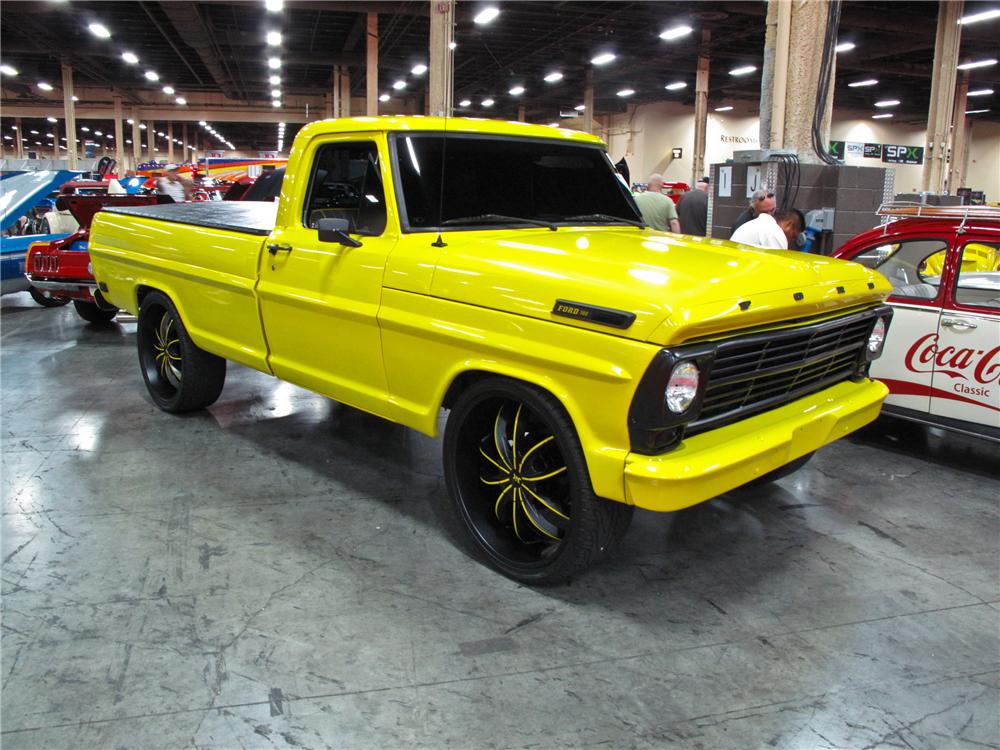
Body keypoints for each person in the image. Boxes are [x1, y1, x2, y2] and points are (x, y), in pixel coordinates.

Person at [730, 207, 805, 250]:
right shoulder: (775, 233)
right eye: (793, 237)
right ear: (789, 224)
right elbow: (778, 267)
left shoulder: (761, 224)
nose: (789, 242)